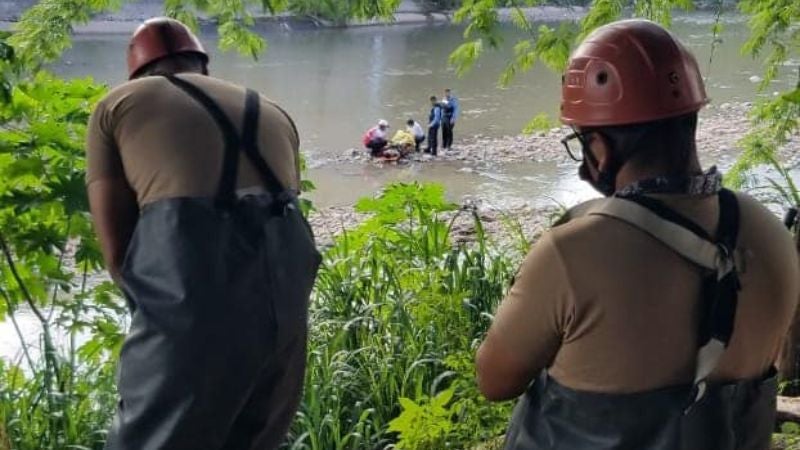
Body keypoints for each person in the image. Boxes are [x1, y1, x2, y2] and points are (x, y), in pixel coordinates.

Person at [476, 19, 800, 450]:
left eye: (581, 141)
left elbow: (494, 380)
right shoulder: (770, 231)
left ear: (602, 146)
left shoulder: (573, 251)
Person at [86, 17, 321, 449]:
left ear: (135, 73)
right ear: (202, 65)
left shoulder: (117, 105)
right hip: (287, 296)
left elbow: (117, 254)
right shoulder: (271, 108)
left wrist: (165, 323)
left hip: (191, 286)